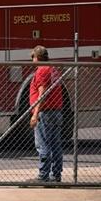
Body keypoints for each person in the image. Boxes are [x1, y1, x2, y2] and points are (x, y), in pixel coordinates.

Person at [29, 45, 63, 182]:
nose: (32, 61)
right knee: (55, 144)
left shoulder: (42, 70)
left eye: (33, 57)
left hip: (45, 112)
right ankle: (56, 174)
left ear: (37, 57)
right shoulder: (52, 69)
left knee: (43, 144)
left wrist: (35, 114)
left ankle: (43, 175)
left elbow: (42, 93)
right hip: (56, 111)